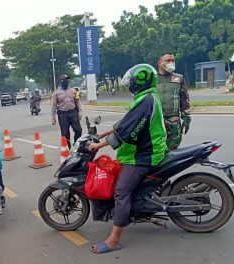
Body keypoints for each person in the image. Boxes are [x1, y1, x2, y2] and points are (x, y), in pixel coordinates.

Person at [88, 64, 167, 254]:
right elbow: (126, 122)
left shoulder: (146, 100)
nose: (130, 84)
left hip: (143, 154)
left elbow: (128, 130)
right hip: (141, 152)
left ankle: (114, 240)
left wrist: (98, 145)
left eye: (132, 80)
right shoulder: (145, 97)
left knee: (121, 192)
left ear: (140, 80)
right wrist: (101, 134)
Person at [156, 52, 191, 150]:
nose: (171, 62)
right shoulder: (152, 79)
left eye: (173, 60)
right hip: (155, 122)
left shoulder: (179, 78)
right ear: (159, 62)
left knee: (172, 150)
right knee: (155, 151)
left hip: (173, 122)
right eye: (168, 60)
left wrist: (187, 117)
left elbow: (184, 98)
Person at [51, 74, 82, 149]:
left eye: (67, 80)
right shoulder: (56, 93)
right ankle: (67, 148)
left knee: (78, 130)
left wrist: (80, 112)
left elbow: (77, 102)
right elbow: (54, 105)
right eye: (65, 80)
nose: (67, 81)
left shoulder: (73, 91)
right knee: (65, 133)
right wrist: (53, 117)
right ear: (61, 81)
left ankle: (76, 144)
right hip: (62, 115)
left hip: (73, 113)